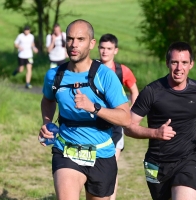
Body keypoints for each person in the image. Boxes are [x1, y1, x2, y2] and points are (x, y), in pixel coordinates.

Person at [39, 19, 131, 200]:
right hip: (67, 149)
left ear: (91, 43)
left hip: (102, 153)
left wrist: (94, 108)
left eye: (80, 39)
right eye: (70, 39)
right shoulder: (54, 75)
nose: (74, 44)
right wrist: (47, 123)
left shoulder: (105, 76)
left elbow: (125, 118)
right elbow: (48, 100)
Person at [124, 41, 196, 200]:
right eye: (174, 62)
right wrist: (155, 132)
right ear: (167, 63)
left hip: (188, 160)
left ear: (191, 64)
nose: (179, 68)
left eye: (184, 62)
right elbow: (128, 127)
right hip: (155, 163)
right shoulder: (152, 91)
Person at [98, 33, 139, 200]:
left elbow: (134, 91)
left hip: (115, 124)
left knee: (110, 165)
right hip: (94, 122)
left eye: (109, 48)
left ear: (116, 50)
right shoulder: (91, 67)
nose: (105, 52)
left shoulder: (123, 71)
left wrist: (132, 115)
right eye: (102, 48)